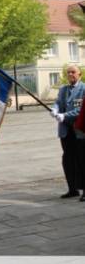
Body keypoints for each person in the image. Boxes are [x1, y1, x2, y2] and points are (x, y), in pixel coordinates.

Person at [51, 65, 85, 199]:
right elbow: (58, 102)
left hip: (80, 130)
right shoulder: (63, 89)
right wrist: (55, 109)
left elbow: (82, 110)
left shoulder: (83, 89)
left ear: (79, 74)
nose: (70, 74)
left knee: (82, 160)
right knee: (68, 159)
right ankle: (72, 189)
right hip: (66, 131)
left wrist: (65, 115)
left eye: (73, 72)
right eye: (68, 72)